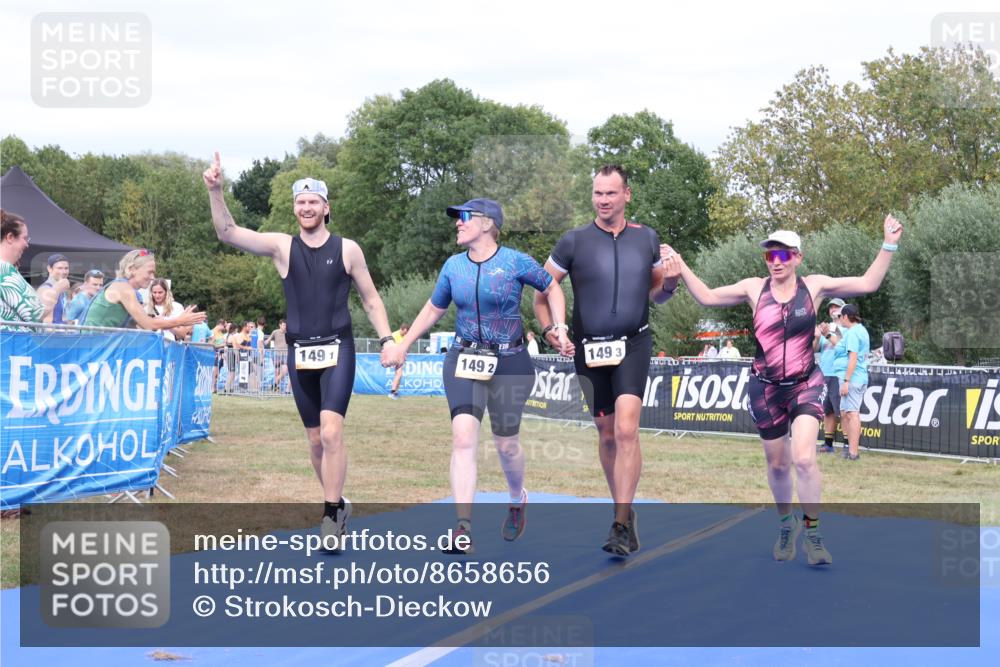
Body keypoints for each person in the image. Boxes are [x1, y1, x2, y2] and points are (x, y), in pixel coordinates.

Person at [669, 216, 903, 566]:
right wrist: (681, 265)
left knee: (804, 459)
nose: (775, 262)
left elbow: (868, 283)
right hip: (765, 389)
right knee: (778, 465)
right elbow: (707, 297)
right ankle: (785, 524)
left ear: (797, 257)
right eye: (770, 256)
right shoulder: (754, 288)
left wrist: (889, 244)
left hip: (805, 384)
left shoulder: (814, 287)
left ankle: (813, 535)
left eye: (783, 255)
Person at [204, 152, 395, 548]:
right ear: (295, 208)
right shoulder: (281, 246)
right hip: (300, 353)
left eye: (313, 202)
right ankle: (338, 502)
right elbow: (228, 232)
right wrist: (216, 191)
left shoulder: (348, 249)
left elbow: (371, 299)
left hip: (338, 348)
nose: (306, 208)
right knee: (315, 440)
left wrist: (387, 339)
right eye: (300, 202)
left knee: (332, 432)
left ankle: (330, 517)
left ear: (326, 208)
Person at [382, 198, 572, 555]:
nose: (458, 223)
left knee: (506, 444)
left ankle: (516, 498)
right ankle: (463, 528)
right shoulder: (453, 266)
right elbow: (433, 309)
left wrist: (558, 328)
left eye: (464, 217)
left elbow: (552, 287)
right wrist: (403, 345)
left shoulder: (515, 261)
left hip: (510, 362)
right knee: (463, 438)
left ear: (487, 224)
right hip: (463, 359)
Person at [534, 165, 680, 557]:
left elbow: (657, 295)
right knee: (607, 433)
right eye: (598, 193)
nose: (603, 200)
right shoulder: (573, 241)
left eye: (611, 193)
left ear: (626, 194)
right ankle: (625, 512)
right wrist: (550, 330)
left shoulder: (646, 238)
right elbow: (540, 295)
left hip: (633, 343)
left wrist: (671, 283)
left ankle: (619, 522)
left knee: (628, 429)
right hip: (589, 349)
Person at [83, 249, 205, 333]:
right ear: (132, 269)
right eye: (150, 272)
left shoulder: (124, 288)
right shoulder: (123, 288)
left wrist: (162, 321)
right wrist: (180, 321)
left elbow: (140, 325)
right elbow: (147, 325)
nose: (152, 277)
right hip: (91, 347)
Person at [835, 303, 870, 461]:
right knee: (846, 413)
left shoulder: (853, 332)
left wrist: (847, 381)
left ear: (845, 317)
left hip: (854, 378)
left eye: (840, 316)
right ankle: (850, 450)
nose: (839, 319)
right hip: (856, 377)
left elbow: (853, 358)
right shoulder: (860, 330)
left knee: (853, 414)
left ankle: (854, 453)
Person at [0, 209, 44, 329]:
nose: (27, 244)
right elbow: (36, 314)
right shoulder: (4, 271)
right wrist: (57, 289)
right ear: (10, 237)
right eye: (25, 238)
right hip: (11, 340)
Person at [814, 298, 846, 453]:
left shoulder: (847, 328)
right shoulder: (826, 328)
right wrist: (817, 337)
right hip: (824, 373)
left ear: (843, 310)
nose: (833, 309)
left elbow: (841, 345)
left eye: (836, 307)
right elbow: (815, 349)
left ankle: (848, 445)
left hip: (839, 374)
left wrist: (827, 334)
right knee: (827, 411)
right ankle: (828, 444)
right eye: (831, 307)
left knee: (844, 412)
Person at [37, 253, 71, 324]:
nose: (64, 272)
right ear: (49, 268)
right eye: (59, 268)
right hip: (52, 331)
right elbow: (46, 321)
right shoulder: (46, 289)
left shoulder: (61, 289)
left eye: (66, 268)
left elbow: (61, 317)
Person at [265, 319, 289, 392]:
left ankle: (274, 384)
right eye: (283, 325)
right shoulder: (275, 332)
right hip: (276, 355)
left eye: (285, 325)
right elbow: (268, 340)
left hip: (285, 354)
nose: (285, 327)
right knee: (277, 372)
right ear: (280, 325)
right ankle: (276, 388)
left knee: (285, 371)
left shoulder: (288, 333)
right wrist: (265, 343)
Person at [388, 324, 409, 399]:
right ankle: (392, 392)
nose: (405, 334)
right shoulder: (394, 335)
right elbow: (390, 346)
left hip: (400, 356)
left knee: (399, 374)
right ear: (401, 329)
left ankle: (394, 392)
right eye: (405, 332)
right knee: (399, 374)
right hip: (395, 356)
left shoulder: (405, 336)